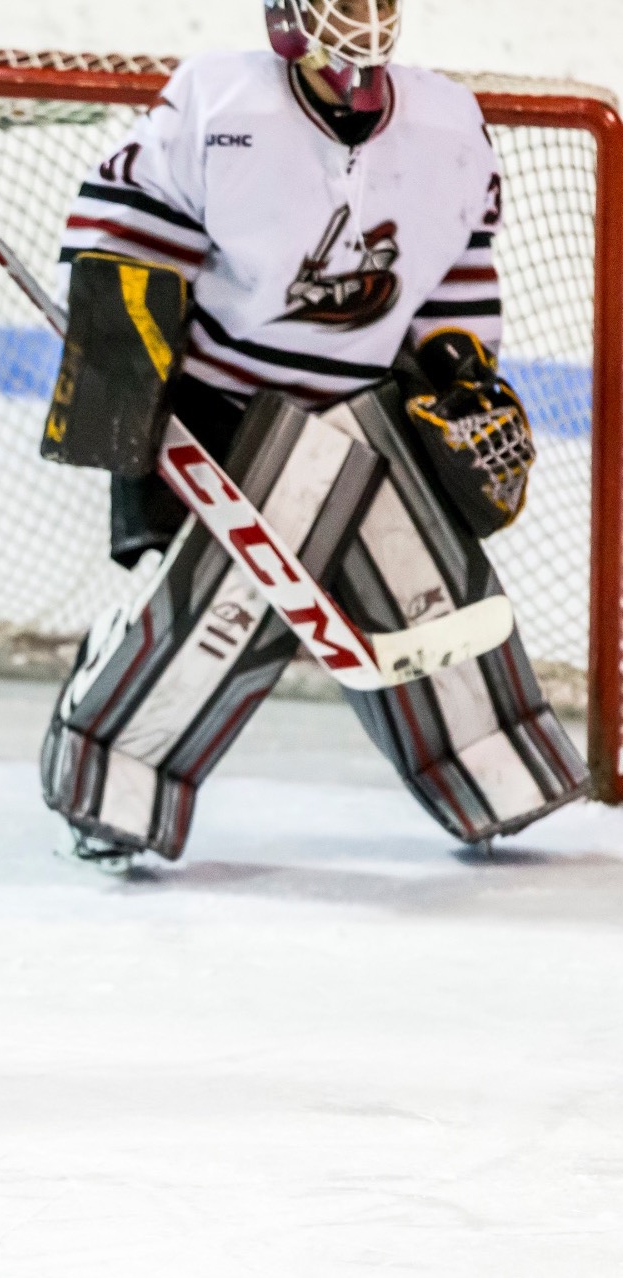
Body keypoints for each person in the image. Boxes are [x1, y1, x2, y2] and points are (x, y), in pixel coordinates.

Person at [38, 0, 587, 869]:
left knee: (437, 616)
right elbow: (129, 227)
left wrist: (460, 372)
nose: (362, 25)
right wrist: (124, 383)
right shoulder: (219, 104)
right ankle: (111, 788)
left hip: (368, 411)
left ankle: (493, 777)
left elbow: (459, 267)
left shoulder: (447, 120)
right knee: (203, 630)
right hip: (226, 410)